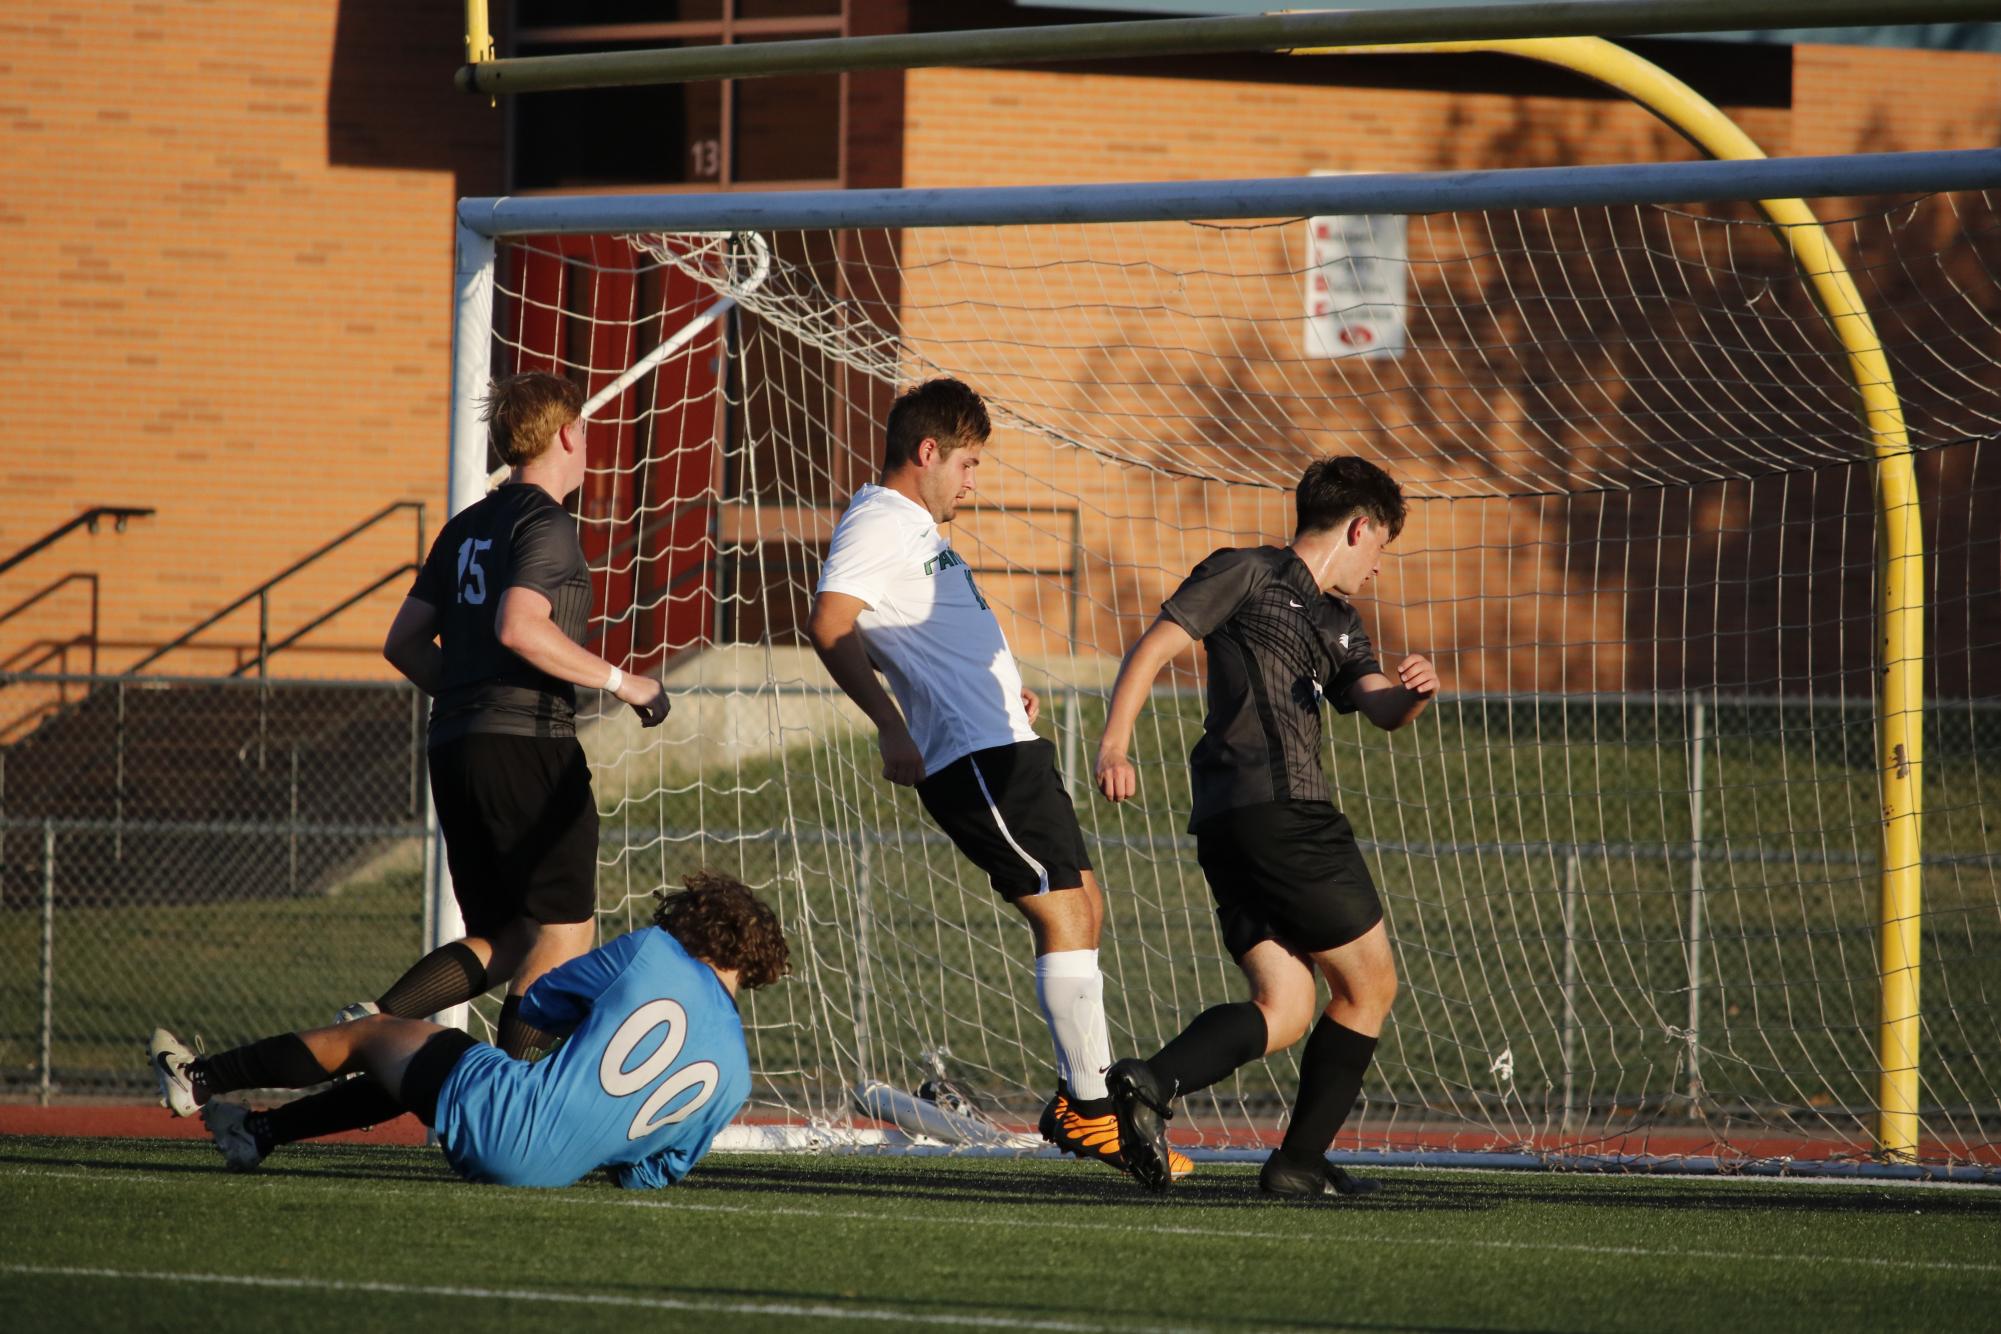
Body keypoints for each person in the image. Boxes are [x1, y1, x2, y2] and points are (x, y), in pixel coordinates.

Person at [805, 376, 1187, 1181]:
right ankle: (1091, 1113)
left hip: (1006, 738)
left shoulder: (912, 527)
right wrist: (891, 724)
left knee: (1082, 903)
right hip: (971, 757)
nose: (973, 483)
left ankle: (1084, 1101)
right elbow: (830, 622)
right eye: (969, 464)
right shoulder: (880, 518)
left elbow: (919, 634)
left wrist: (1000, 685)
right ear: (927, 452)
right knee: (1058, 908)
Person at [1093, 456, 1438, 1197]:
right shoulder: (1247, 571)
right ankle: (1298, 1164)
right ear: (1359, 528)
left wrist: (1412, 696)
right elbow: (1156, 644)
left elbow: (1377, 707)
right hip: (1285, 818)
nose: (1377, 568)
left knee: (1285, 1007)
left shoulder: (1341, 623)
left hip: (1228, 829)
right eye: (1381, 548)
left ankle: (1151, 1081)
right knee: (1370, 987)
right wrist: (1114, 743)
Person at [364, 371, 669, 1053]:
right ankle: (512, 1110)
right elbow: (520, 628)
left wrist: (470, 690)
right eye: (584, 430)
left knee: (507, 938)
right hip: (525, 746)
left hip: (455, 747)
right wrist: (627, 683)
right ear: (566, 434)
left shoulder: (466, 525)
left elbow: (403, 643)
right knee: (563, 934)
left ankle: (370, 1020)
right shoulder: (545, 521)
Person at [147, 872, 787, 1187]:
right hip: (550, 1174)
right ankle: (260, 1132)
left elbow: (539, 1001)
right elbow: (649, 1175)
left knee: (376, 1032)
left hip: (509, 1113)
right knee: (429, 1068)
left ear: (693, 925)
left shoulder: (653, 951)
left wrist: (552, 1061)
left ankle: (200, 1078)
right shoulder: (735, 1077)